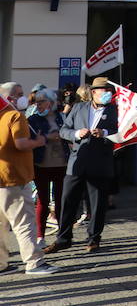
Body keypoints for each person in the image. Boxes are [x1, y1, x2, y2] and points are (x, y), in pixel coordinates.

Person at [46, 75, 119, 256]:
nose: (108, 94)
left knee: (97, 204)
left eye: (110, 91)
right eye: (104, 91)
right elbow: (64, 131)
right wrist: (77, 133)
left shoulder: (115, 110)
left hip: (100, 162)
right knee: (68, 200)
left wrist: (105, 132)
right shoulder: (79, 108)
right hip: (77, 162)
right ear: (93, 92)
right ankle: (63, 239)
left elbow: (122, 132)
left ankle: (94, 239)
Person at [0, 82, 59, 275]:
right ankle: (34, 262)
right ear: (9, 98)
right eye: (19, 94)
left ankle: (2, 264)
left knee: (2, 226)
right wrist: (40, 141)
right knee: (24, 222)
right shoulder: (15, 116)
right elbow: (21, 144)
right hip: (15, 177)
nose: (24, 96)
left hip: (2, 178)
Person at [27, 87, 66, 248]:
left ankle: (63, 235)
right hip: (41, 164)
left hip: (62, 164)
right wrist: (48, 137)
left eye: (41, 102)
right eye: (36, 102)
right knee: (42, 201)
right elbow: (30, 140)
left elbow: (69, 133)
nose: (38, 105)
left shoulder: (62, 117)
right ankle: (40, 236)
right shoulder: (32, 119)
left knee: (61, 200)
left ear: (51, 103)